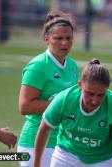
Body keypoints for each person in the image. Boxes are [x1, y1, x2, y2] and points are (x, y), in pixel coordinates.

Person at [34, 59, 112, 167]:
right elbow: (44, 130)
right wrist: (36, 164)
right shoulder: (65, 99)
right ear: (80, 85)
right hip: (67, 155)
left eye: (100, 95)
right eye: (90, 94)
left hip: (103, 159)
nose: (95, 101)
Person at [17, 10, 80, 167]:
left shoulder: (72, 65)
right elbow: (25, 106)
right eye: (58, 38)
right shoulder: (38, 66)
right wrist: (63, 104)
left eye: (68, 38)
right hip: (34, 144)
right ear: (47, 39)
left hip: (63, 143)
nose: (64, 43)